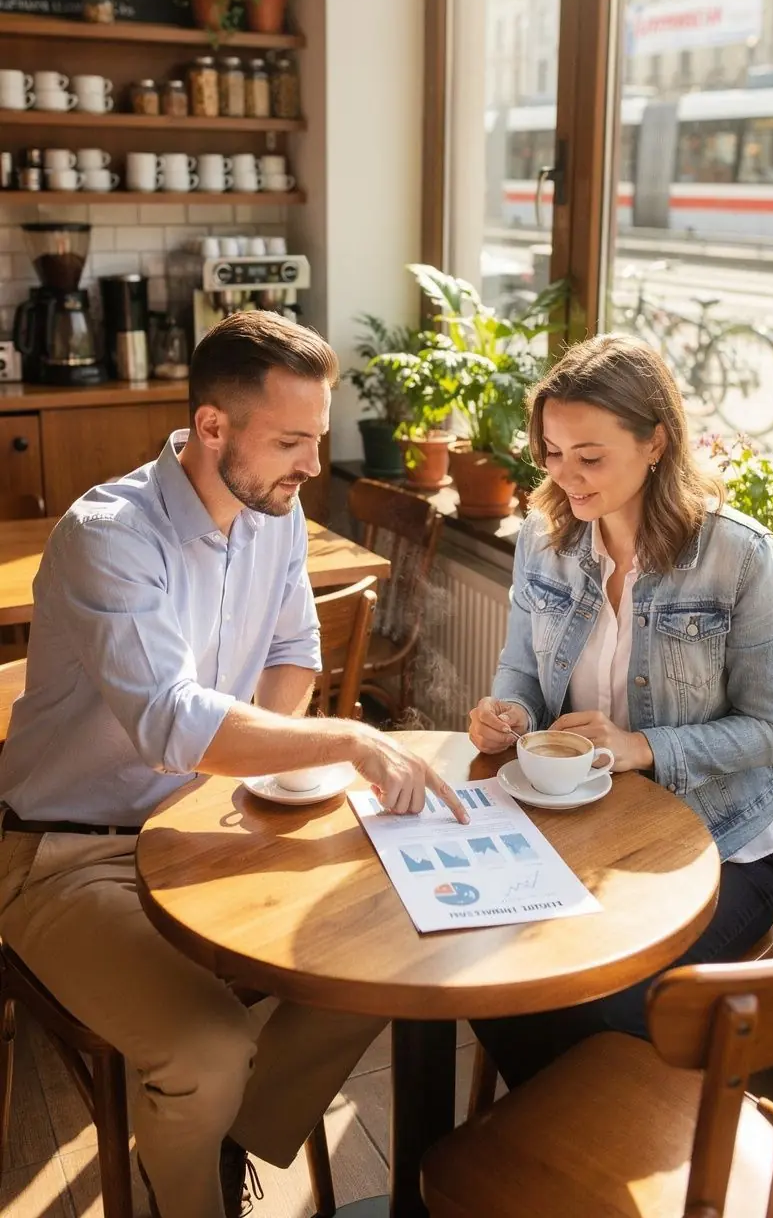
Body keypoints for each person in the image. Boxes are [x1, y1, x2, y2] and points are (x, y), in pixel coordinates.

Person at [0, 311, 467, 1218]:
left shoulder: (274, 512)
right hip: (62, 853)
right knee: (210, 1049)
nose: (310, 463)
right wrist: (346, 739)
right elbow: (168, 722)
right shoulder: (110, 534)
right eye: (290, 440)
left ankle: (210, 1139)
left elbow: (295, 648)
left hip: (203, 824)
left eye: (317, 440)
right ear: (212, 428)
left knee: (395, 948)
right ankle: (185, 1182)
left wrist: (249, 767)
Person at [468, 333, 773, 1089]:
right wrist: (508, 714)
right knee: (483, 971)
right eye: (552, 452)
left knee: (585, 1015)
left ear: (656, 441)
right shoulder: (544, 539)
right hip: (583, 837)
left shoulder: (741, 558)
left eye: (590, 456)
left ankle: (571, 1163)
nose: (566, 476)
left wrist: (640, 746)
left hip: (719, 854)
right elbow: (521, 671)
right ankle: (542, 1157)